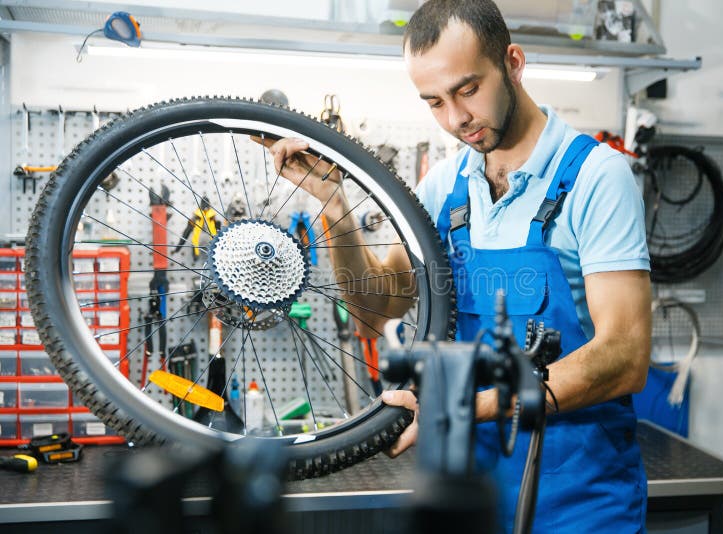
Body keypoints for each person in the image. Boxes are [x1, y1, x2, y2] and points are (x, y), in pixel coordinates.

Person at [258, 1, 651, 531]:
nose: (455, 119)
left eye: (468, 90)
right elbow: (376, 307)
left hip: (581, 503)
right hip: (471, 499)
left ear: (512, 62)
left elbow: (624, 355)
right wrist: (334, 208)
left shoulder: (596, 177)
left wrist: (464, 408)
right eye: (434, 102)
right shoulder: (446, 188)